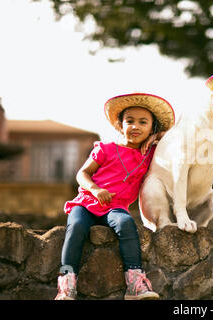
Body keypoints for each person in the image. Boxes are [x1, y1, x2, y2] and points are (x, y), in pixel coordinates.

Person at [55, 93, 175, 300]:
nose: (135, 126)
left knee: (127, 223)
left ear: (151, 128)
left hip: (115, 208)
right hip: (87, 202)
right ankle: (67, 284)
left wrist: (157, 136)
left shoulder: (149, 153)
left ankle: (135, 284)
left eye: (143, 122)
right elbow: (81, 174)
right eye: (130, 121)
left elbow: (177, 135)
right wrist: (95, 189)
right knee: (76, 227)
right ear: (121, 126)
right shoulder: (106, 149)